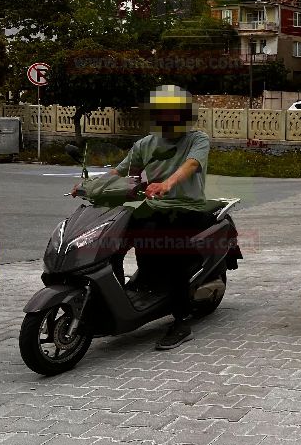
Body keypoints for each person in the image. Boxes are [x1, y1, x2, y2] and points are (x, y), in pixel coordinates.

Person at [74, 85, 212, 349]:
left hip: (186, 207)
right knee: (109, 241)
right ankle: (117, 299)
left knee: (171, 252)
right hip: (152, 206)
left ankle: (181, 321)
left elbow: (191, 165)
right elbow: (121, 172)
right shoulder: (145, 144)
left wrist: (167, 184)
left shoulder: (197, 140)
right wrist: (89, 186)